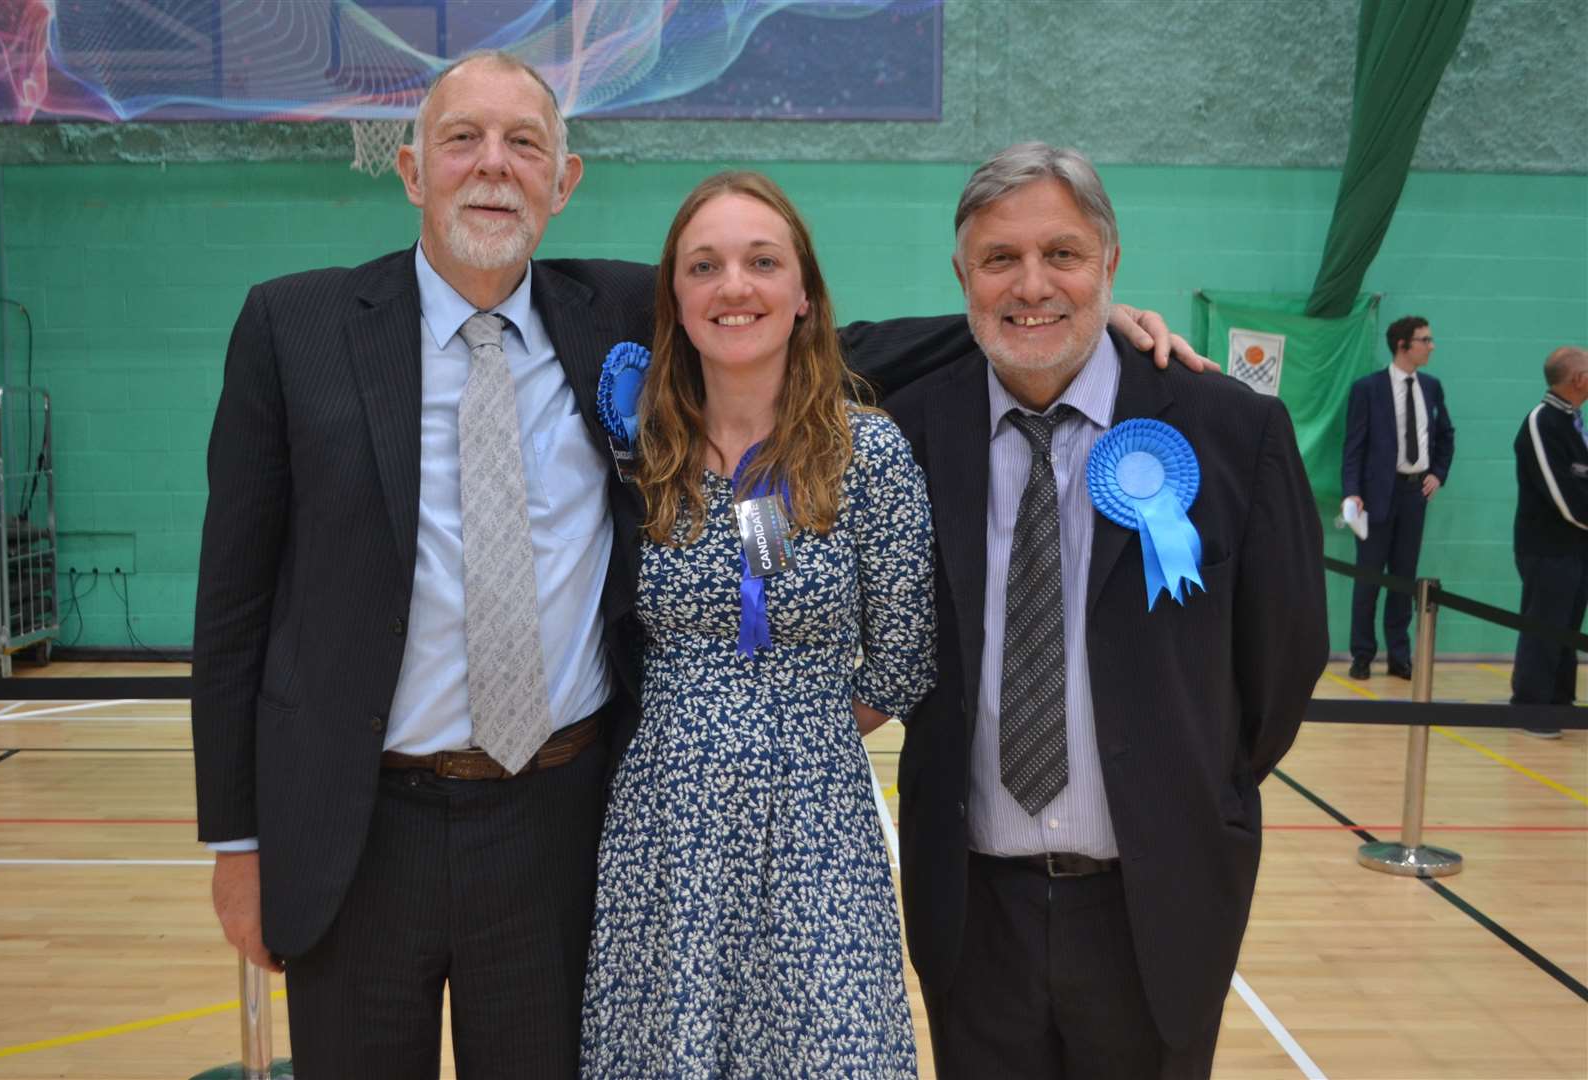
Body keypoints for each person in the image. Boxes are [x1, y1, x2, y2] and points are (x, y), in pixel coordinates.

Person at [191, 49, 1199, 1078]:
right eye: (462, 139)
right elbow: (231, 608)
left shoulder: (598, 314)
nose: (492, 166)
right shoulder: (298, 328)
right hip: (367, 824)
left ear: (561, 181)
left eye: (523, 143)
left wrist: (1065, 327)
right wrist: (236, 841)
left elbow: (812, 342)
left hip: (552, 822)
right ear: (409, 169)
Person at [885, 142, 1326, 1079]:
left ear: (1111, 264)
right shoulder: (906, 432)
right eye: (1000, 259)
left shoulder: (1232, 431)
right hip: (973, 910)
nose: (1032, 283)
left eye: (1064, 256)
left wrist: (1187, 787)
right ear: (961, 275)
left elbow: (1283, 662)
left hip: (1157, 905)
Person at [579, 171, 933, 1076]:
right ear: (677, 300)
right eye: (706, 266)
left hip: (818, 824)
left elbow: (900, 662)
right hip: (665, 826)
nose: (734, 285)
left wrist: (784, 726)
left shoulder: (869, 454)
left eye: (762, 261)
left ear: (804, 294)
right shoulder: (635, 454)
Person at [1341, 315, 1455, 680]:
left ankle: (1399, 655)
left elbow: (1445, 435)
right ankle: (1362, 654)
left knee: (1404, 580)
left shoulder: (1432, 387)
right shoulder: (1368, 389)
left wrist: (1437, 473)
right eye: (1425, 339)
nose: (1431, 346)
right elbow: (1353, 447)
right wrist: (1352, 492)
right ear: (1403, 345)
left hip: (1413, 494)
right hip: (1375, 496)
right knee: (1368, 579)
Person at [1510, 345, 1588, 736]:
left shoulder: (1575, 422)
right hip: (1546, 547)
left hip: (1577, 548)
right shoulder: (1542, 422)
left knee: (1568, 626)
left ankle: (1559, 703)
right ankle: (1531, 706)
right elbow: (1563, 497)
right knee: (1545, 624)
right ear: (1577, 379)